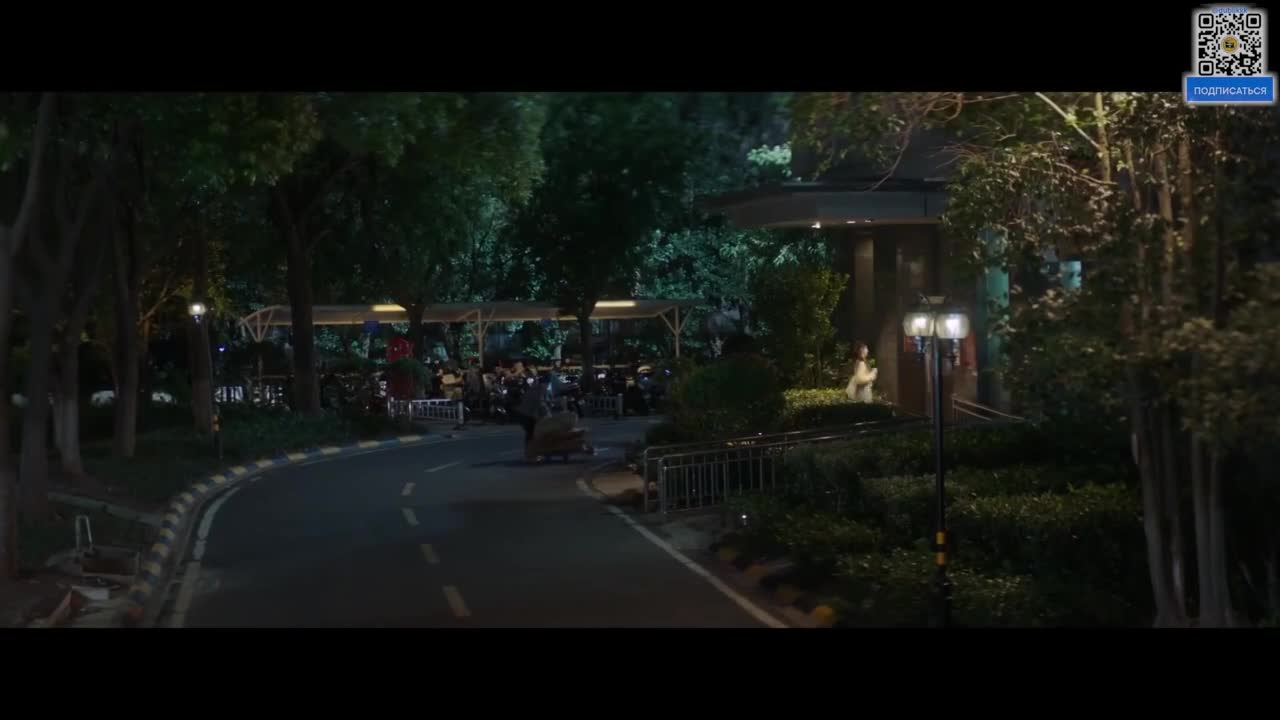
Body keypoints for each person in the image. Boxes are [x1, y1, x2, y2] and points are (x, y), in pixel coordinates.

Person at [515, 376, 550, 449]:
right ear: (543, 384)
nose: (547, 386)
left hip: (523, 414)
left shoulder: (537, 389)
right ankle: (531, 450)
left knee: (531, 432)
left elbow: (542, 404)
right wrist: (548, 416)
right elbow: (540, 404)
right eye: (546, 384)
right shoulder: (538, 390)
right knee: (532, 432)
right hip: (525, 414)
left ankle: (531, 449)